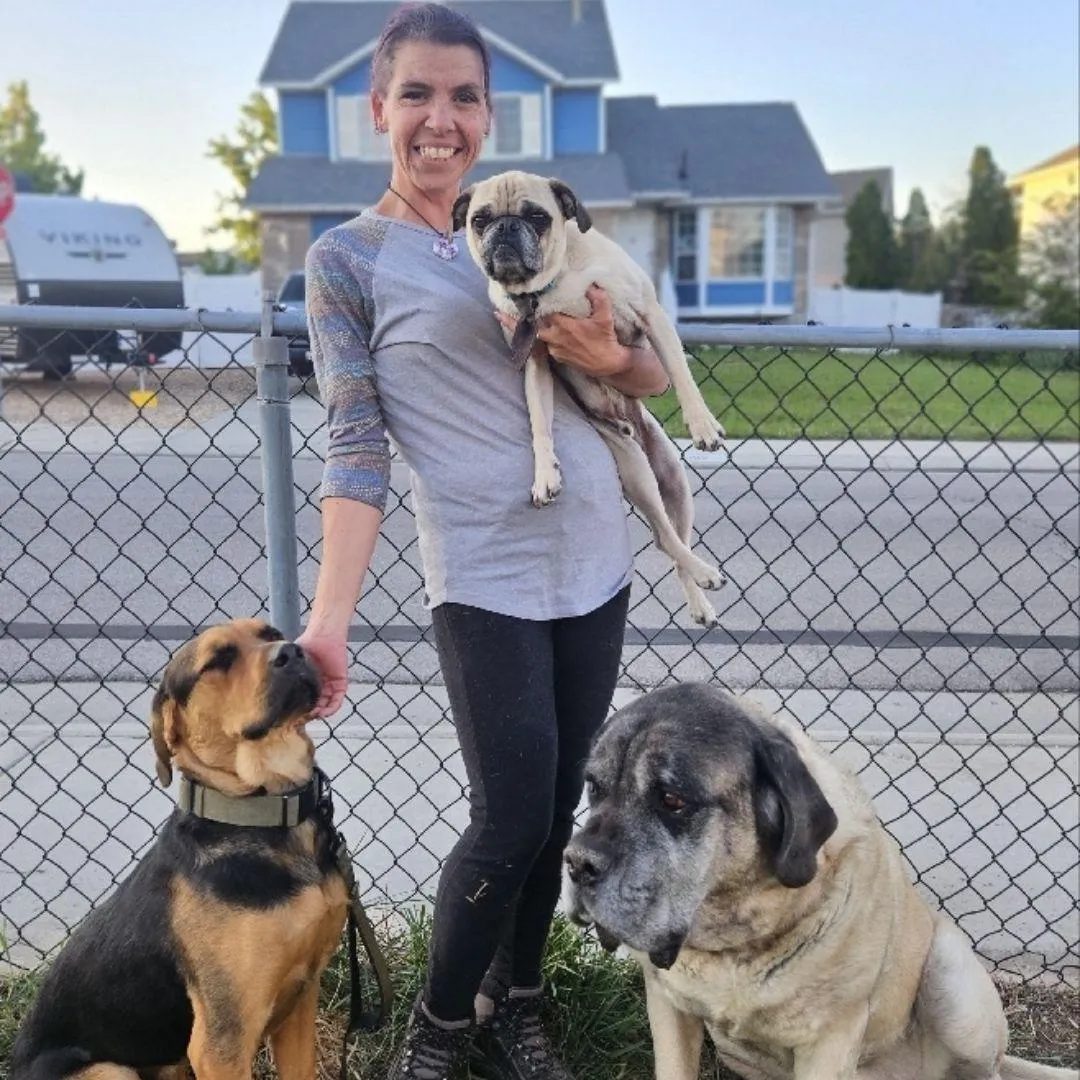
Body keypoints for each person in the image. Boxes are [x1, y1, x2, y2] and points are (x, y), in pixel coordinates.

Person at [296, 5, 669, 1078]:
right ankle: (440, 1028)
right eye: (416, 94)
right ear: (378, 109)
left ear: (487, 114)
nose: (440, 119)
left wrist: (624, 355)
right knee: (507, 817)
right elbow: (356, 442)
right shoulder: (348, 260)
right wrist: (330, 622)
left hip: (594, 560)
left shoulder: (536, 222)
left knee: (559, 812)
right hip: (486, 576)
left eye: (463, 97)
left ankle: (520, 1003)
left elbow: (633, 371)